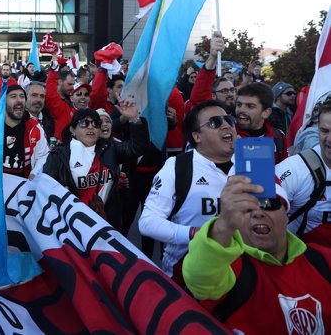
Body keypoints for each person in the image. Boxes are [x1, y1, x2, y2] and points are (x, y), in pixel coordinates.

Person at [183, 175, 331, 332]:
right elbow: (200, 278)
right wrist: (222, 226)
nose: (258, 213)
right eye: (246, 208)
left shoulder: (322, 260)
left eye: (268, 204)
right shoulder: (228, 268)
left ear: (286, 215)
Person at [140, 100, 237, 283]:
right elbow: (148, 222)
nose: (226, 125)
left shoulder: (252, 160)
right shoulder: (177, 167)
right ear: (197, 136)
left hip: (241, 271)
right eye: (215, 122)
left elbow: (273, 210)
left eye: (229, 120)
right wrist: (196, 234)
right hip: (188, 274)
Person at [43, 106, 147, 229]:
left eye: (96, 123)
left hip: (107, 222)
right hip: (73, 224)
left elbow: (138, 148)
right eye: (84, 123)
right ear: (72, 129)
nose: (91, 126)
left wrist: (134, 119)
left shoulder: (110, 148)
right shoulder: (59, 155)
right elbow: (47, 191)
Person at [277, 100, 331, 247]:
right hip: (305, 263)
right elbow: (260, 215)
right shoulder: (296, 168)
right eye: (324, 131)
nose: (329, 139)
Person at [235, 82, 288, 163]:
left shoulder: (278, 137)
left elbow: (284, 171)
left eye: (250, 106)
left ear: (266, 112)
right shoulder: (228, 136)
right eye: (239, 104)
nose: (241, 110)